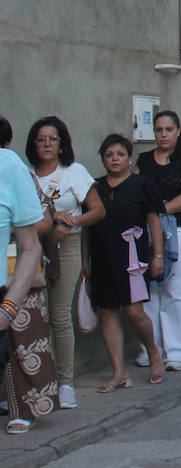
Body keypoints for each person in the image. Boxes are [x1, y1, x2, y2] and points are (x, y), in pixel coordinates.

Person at [25, 116, 104, 410]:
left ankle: (65, 382)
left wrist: (71, 220)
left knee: (58, 315)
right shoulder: (26, 173)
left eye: (52, 138)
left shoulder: (74, 172)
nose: (47, 144)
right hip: (31, 249)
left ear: (62, 144)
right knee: (32, 320)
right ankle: (35, 384)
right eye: (41, 139)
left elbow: (97, 211)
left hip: (67, 245)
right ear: (33, 144)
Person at [82, 134, 166, 391]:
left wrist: (158, 256)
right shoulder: (93, 187)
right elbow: (87, 227)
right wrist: (85, 260)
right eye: (109, 155)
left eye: (119, 154)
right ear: (103, 160)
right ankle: (119, 372)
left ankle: (153, 352)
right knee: (107, 312)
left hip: (132, 257)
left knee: (133, 311)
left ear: (129, 158)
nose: (114, 159)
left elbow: (154, 222)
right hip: (103, 255)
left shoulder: (143, 184)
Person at [134, 110, 181, 372]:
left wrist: (160, 211)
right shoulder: (143, 160)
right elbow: (135, 187)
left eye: (168, 129)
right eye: (159, 130)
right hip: (150, 232)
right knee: (150, 290)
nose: (163, 134)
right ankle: (151, 348)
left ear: (177, 131)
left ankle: (176, 351)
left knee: (175, 288)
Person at [2, 117, 51, 435]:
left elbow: (42, 226)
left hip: (13, 270)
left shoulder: (16, 172)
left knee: (25, 344)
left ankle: (25, 408)